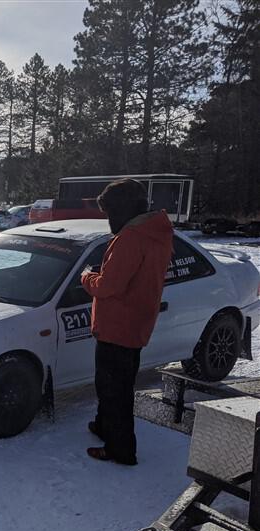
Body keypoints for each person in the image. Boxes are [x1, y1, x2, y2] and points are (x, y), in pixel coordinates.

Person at [81, 178, 174, 465]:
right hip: (136, 321)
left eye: (109, 213)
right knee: (115, 385)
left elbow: (109, 286)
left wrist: (87, 276)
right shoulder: (155, 233)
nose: (108, 219)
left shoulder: (131, 238)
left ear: (121, 210)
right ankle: (104, 425)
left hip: (117, 327)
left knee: (114, 390)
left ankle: (120, 449)